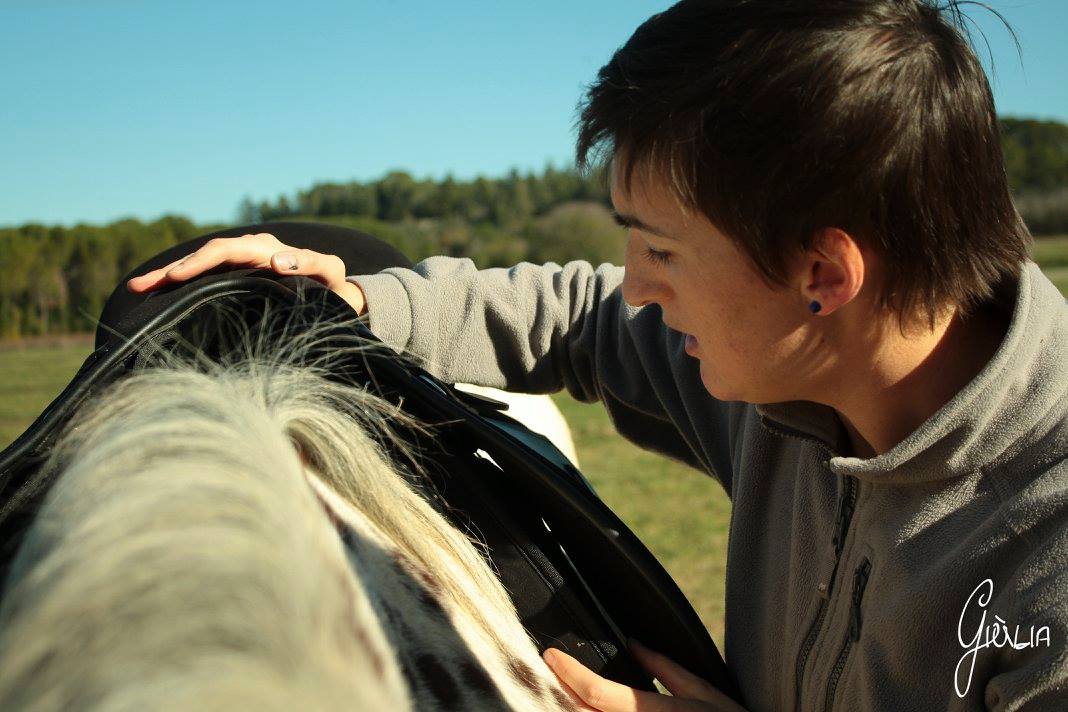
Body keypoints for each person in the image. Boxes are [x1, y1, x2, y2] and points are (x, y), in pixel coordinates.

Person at [128, 0, 1067, 709]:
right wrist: (358, 299)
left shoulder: (1049, 563)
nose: (638, 286)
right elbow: (579, 314)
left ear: (823, 272)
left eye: (661, 250)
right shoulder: (810, 364)